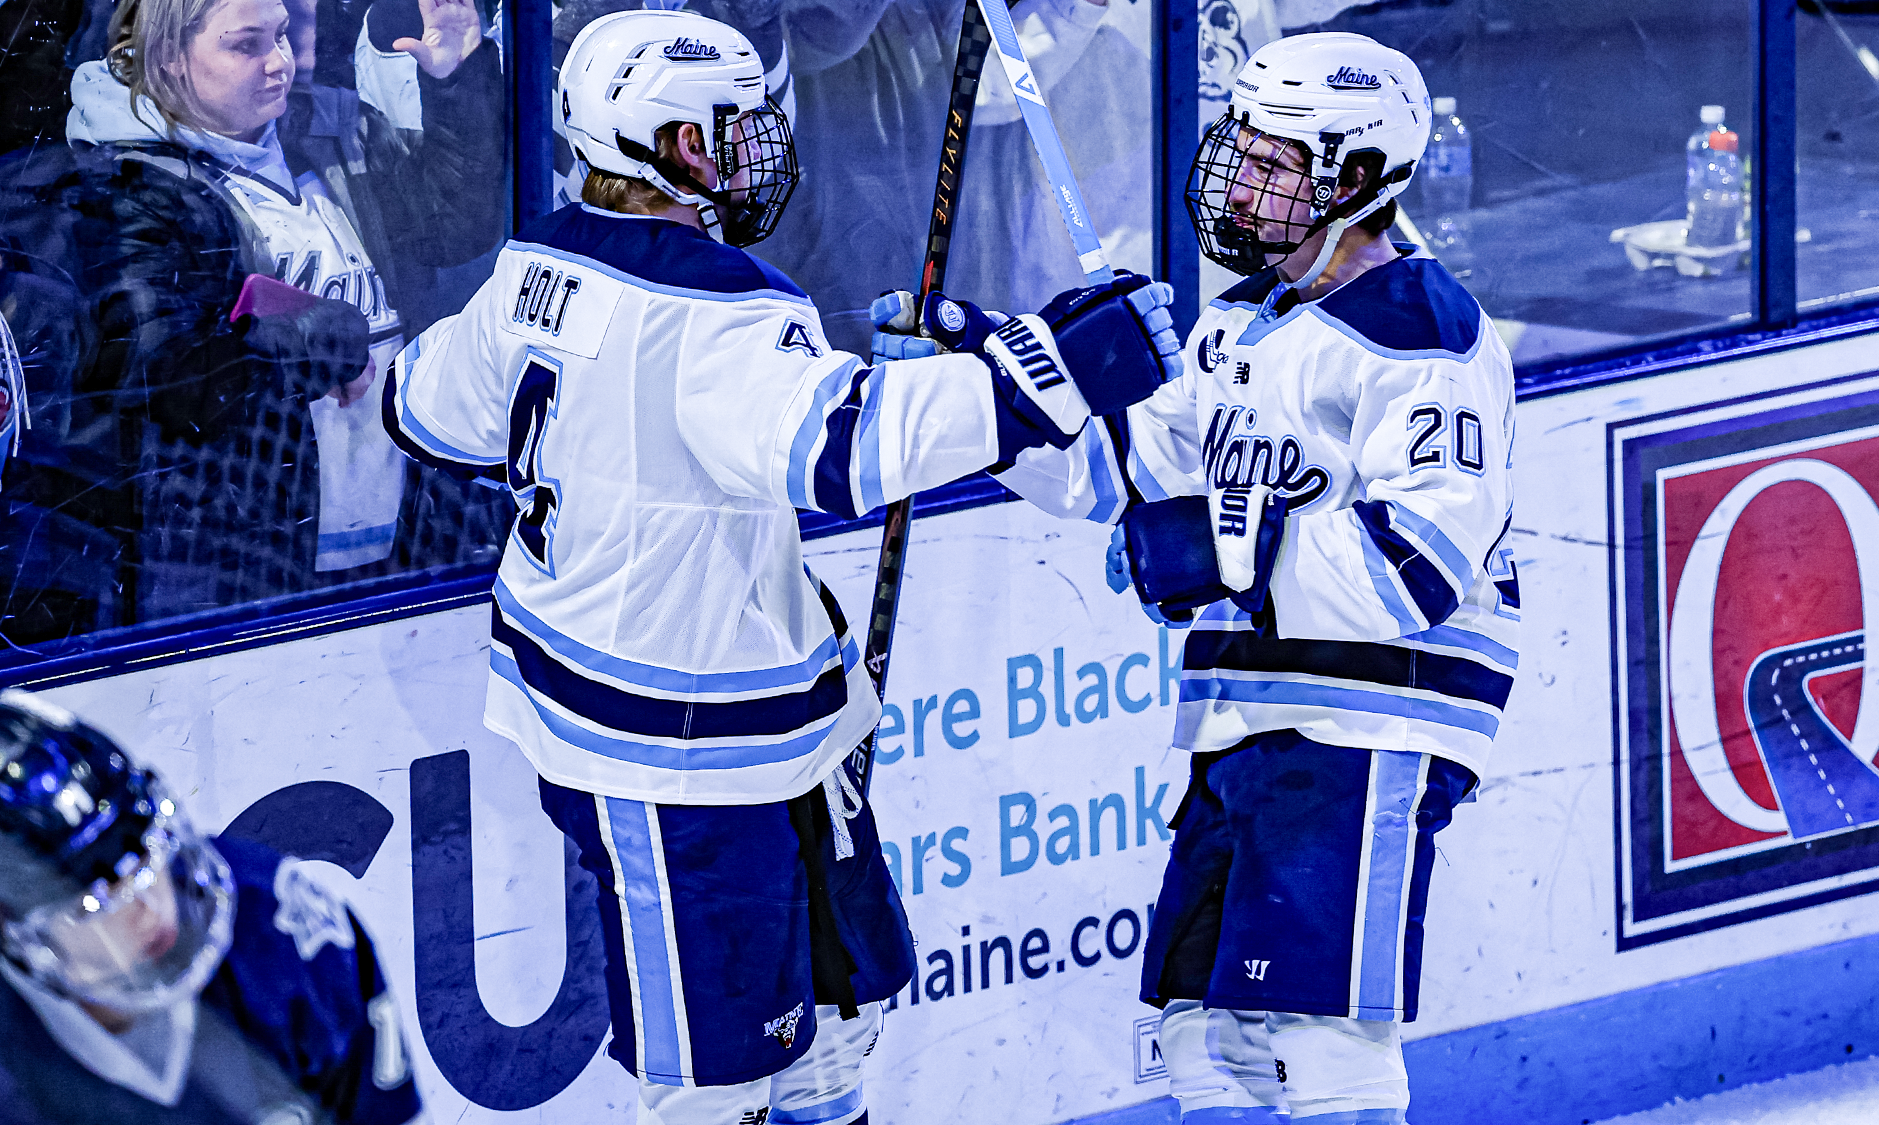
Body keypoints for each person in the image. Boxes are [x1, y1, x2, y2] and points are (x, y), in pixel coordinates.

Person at [379, 10, 1181, 1124]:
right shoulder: (717, 311)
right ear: (670, 143)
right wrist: (1045, 369)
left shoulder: (530, 271)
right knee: (712, 1085)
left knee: (830, 1034)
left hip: (751, 731)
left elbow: (418, 403)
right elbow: (846, 453)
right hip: (673, 755)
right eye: (732, 125)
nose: (759, 144)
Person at [887, 31, 1519, 1125]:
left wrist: (1232, 542)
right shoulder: (1241, 326)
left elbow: (1417, 565)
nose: (1237, 178)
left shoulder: (1420, 332)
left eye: (1273, 163)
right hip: (1248, 718)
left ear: (1355, 179)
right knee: (1199, 1036)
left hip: (1371, 727)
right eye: (1240, 149)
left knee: (1317, 1039)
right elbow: (1115, 479)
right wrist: (991, 396)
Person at [54, 0, 505, 625]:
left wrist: (456, 82)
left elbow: (457, 225)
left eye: (283, 36)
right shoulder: (131, 185)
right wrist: (321, 340)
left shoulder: (335, 134)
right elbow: (168, 372)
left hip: (404, 530)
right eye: (246, 45)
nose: (280, 64)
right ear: (169, 59)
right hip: (249, 562)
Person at [0, 689, 423, 1124]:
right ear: (12, 934)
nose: (149, 906)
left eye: (148, 854)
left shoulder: (277, 928)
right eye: (96, 901)